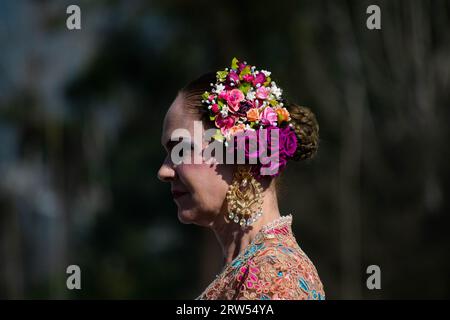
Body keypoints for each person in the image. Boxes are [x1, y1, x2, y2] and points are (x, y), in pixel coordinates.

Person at [158, 58, 325, 300]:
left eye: (181, 150)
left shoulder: (276, 273)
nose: (164, 171)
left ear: (240, 152)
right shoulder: (251, 267)